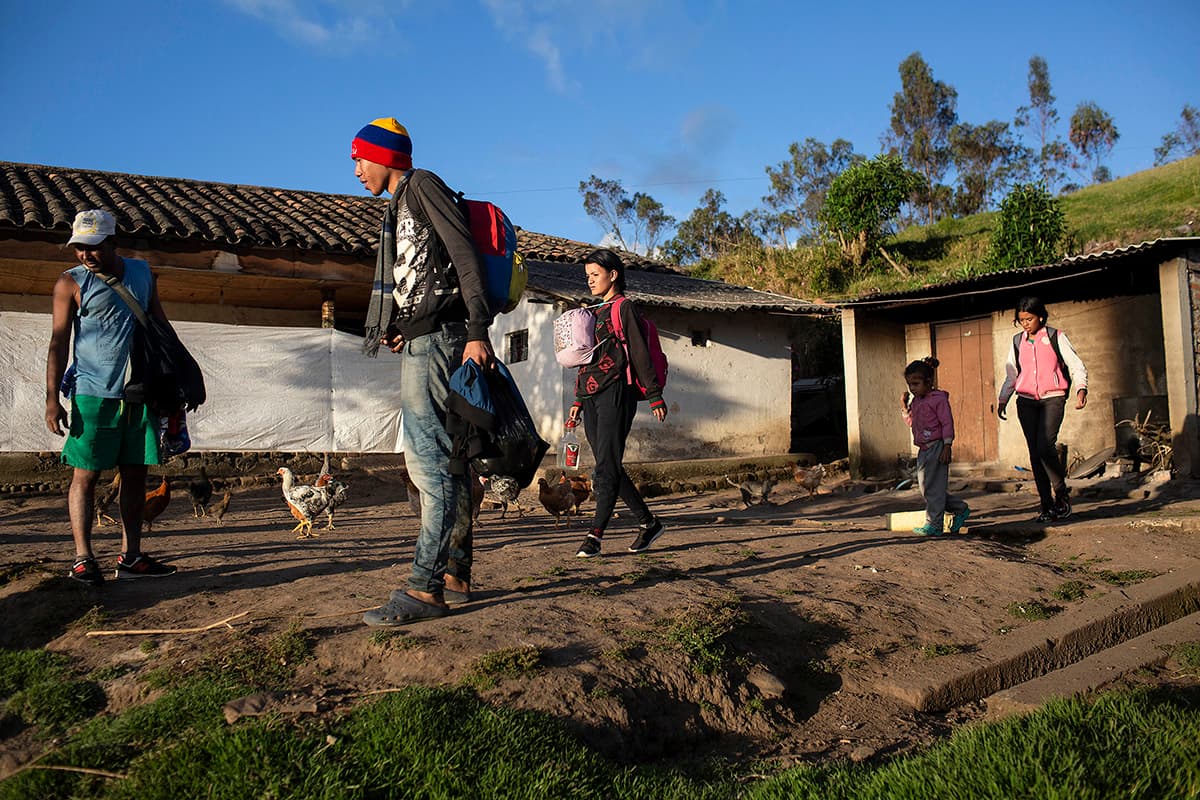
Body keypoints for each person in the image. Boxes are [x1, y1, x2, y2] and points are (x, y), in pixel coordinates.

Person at [351, 118, 494, 626]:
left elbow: (463, 254)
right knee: (450, 464)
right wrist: (405, 327)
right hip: (425, 336)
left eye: (360, 158)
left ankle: (424, 587)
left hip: (442, 341)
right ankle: (455, 575)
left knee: (429, 465)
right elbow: (423, 277)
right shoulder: (399, 203)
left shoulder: (423, 185)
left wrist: (478, 327)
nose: (356, 169)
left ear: (386, 156)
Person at [45, 209, 178, 585]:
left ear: (113, 243)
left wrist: (177, 375)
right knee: (85, 476)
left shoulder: (141, 273)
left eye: (93, 247)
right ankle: (83, 558)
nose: (84, 255)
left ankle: (131, 557)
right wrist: (52, 399)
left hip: (139, 392)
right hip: (92, 394)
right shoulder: (70, 283)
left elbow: (159, 325)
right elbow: (58, 342)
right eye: (78, 248)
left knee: (135, 475)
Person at [567, 248, 668, 558]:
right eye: (587, 277)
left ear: (613, 275)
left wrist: (653, 394)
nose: (590, 281)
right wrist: (578, 400)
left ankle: (594, 535)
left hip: (618, 392)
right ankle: (648, 523)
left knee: (606, 467)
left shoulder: (625, 308)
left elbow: (638, 351)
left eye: (595, 275)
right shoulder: (594, 311)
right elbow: (587, 361)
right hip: (593, 395)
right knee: (606, 464)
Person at [997, 296, 1088, 523]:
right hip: (1026, 401)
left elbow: (1076, 365)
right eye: (1021, 320)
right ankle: (1046, 506)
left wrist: (1081, 389)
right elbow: (1012, 375)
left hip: (1053, 398)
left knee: (1045, 445)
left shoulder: (1057, 337)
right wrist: (1003, 399)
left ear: (1040, 316)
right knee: (1035, 454)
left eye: (1029, 319)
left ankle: (1061, 494)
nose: (1025, 324)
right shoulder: (1017, 342)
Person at [900, 357, 970, 536]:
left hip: (937, 447)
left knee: (933, 488)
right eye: (910, 385)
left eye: (916, 384)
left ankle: (935, 524)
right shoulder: (916, 402)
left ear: (929, 382)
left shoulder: (938, 400)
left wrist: (947, 446)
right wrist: (904, 407)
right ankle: (960, 509)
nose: (913, 388)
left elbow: (947, 423)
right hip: (923, 450)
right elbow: (912, 423)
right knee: (927, 488)